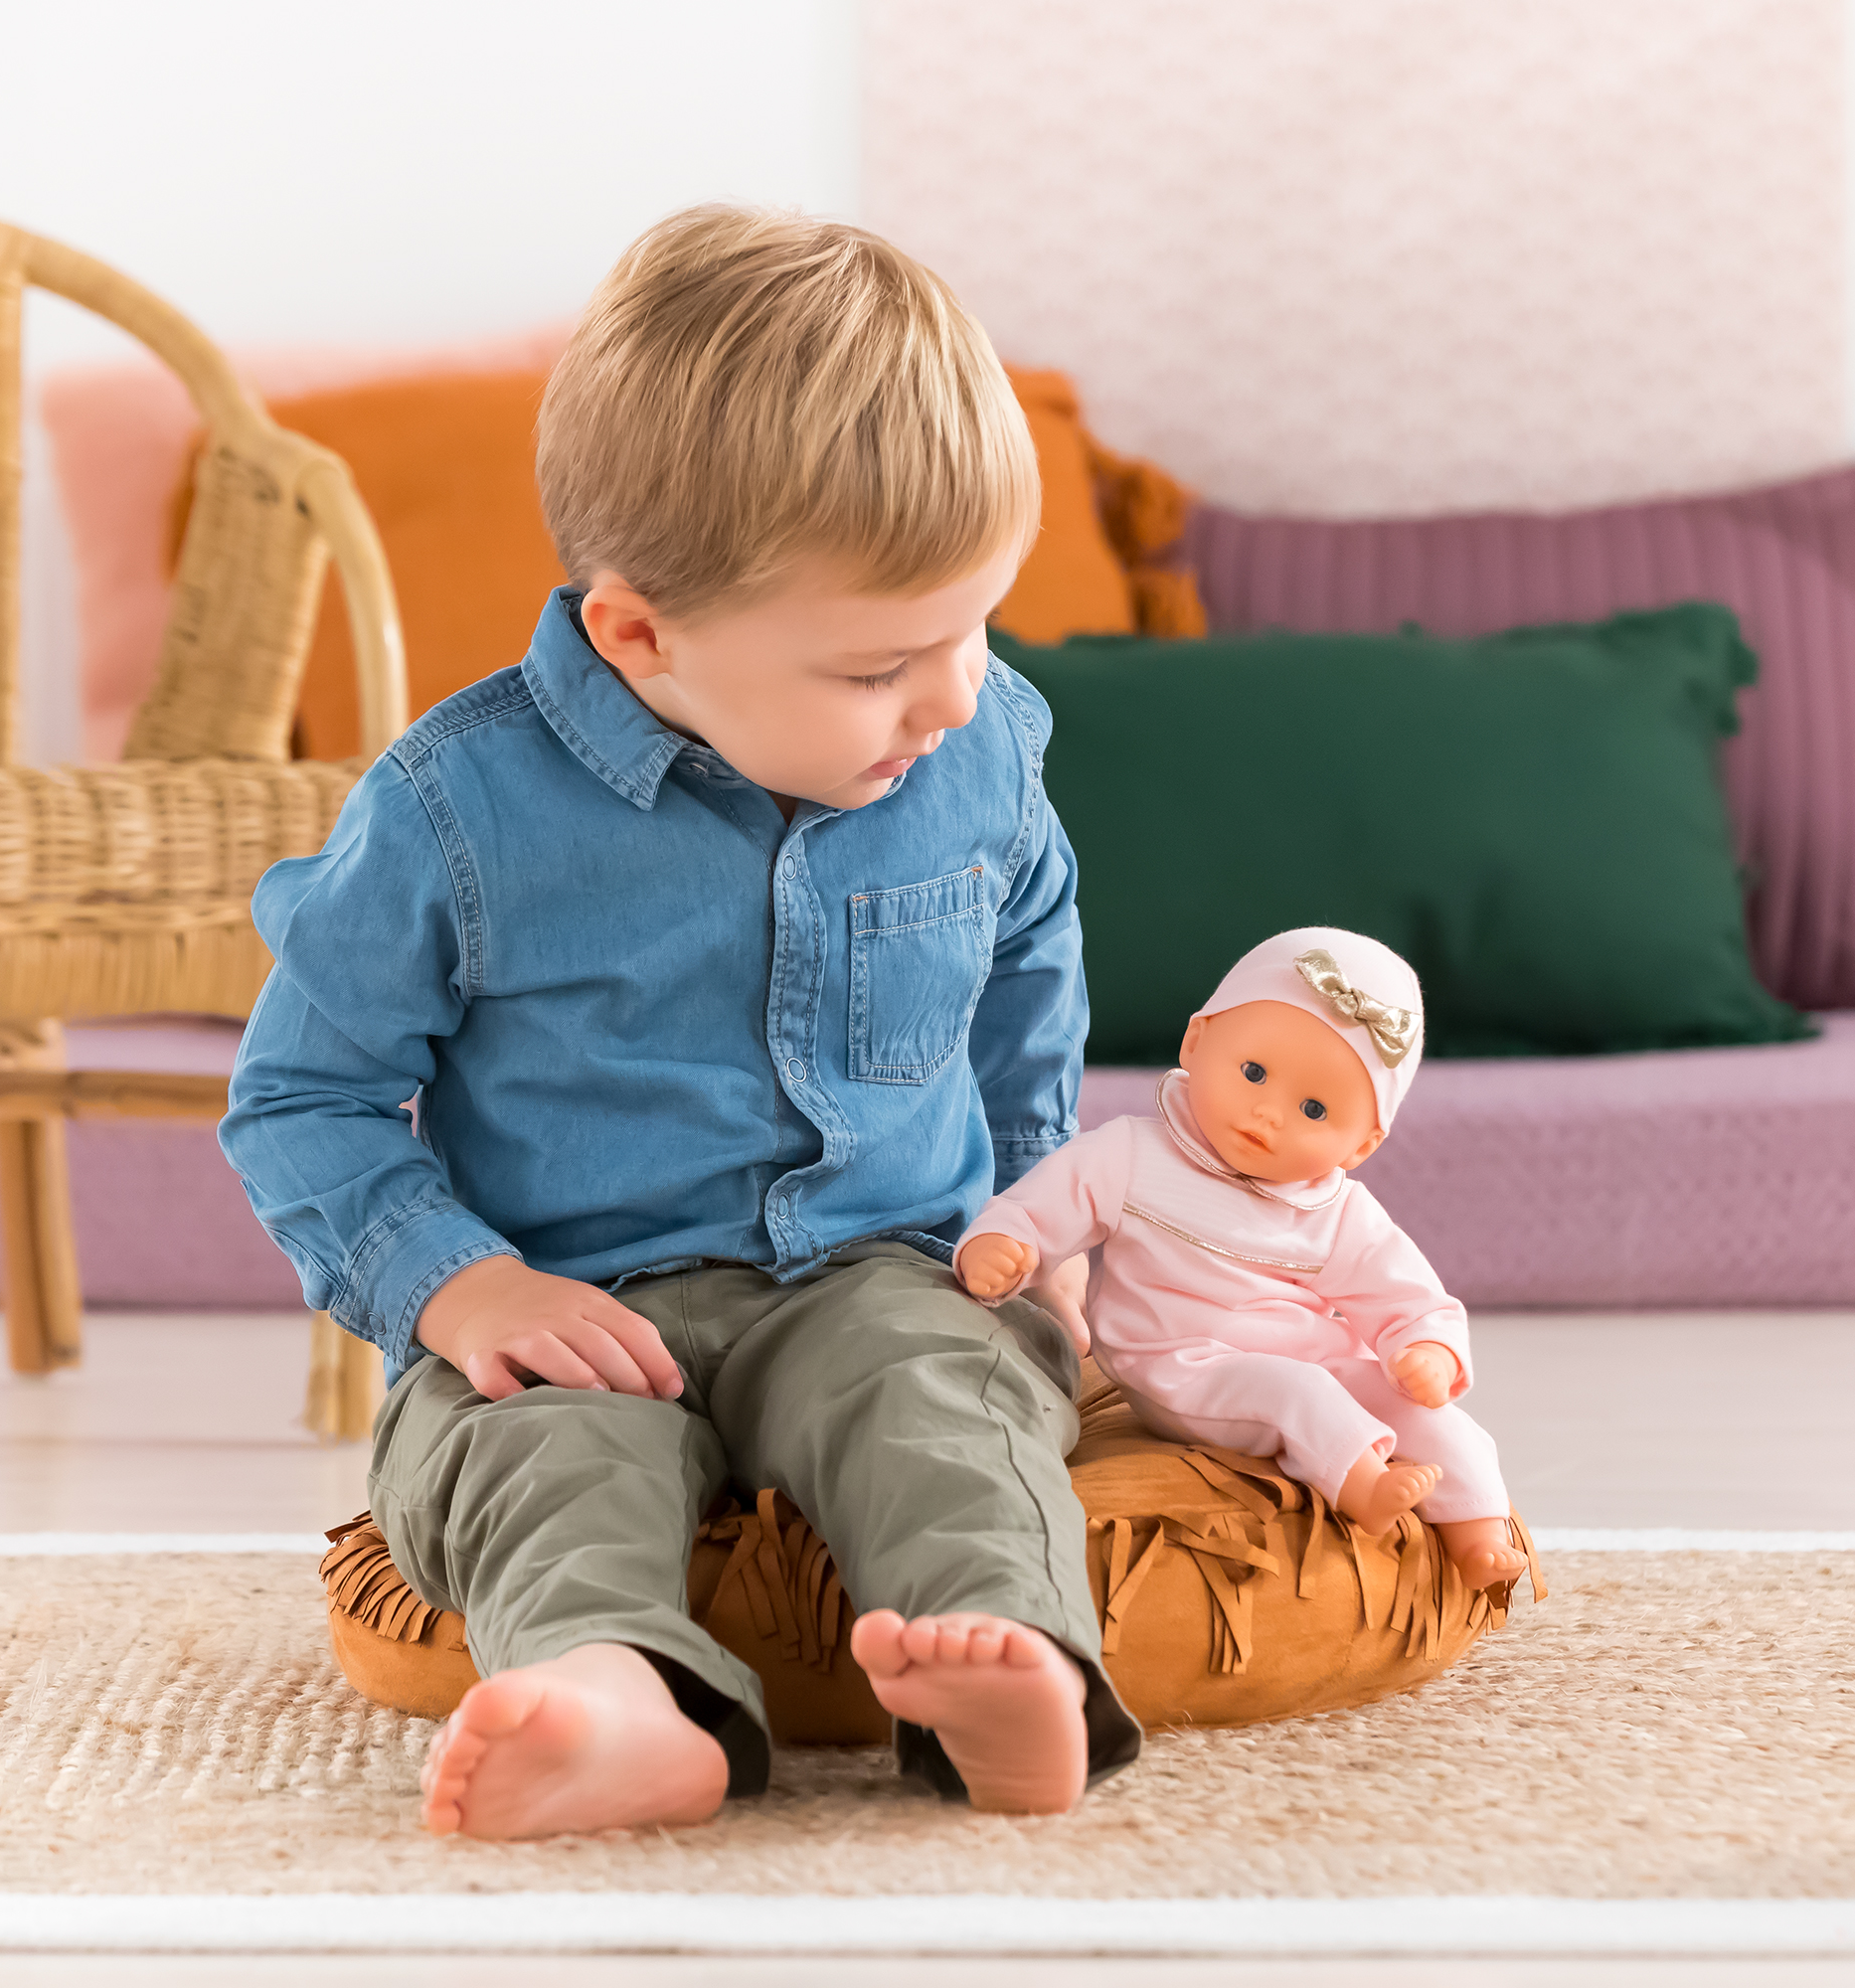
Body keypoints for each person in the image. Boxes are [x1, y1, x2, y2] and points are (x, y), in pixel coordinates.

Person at [222, 204, 1141, 1842]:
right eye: (880, 666)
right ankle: (613, 1698)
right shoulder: (451, 812)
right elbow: (304, 1096)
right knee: (535, 1457)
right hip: (573, 1294)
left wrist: (1030, 1201)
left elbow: (1026, 952)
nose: (953, 699)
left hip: (877, 1270)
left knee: (948, 1404)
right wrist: (460, 1285)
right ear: (640, 634)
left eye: (975, 629)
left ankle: (1016, 1670)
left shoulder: (980, 746)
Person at [955, 927, 1530, 1591]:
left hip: (1306, 1357)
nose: (1268, 1113)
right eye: (1253, 1073)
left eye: (1313, 1108)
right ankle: (1363, 1487)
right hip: (1181, 1367)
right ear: (1196, 1043)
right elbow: (1044, 1204)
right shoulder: (1133, 1155)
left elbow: (1405, 1295)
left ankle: (1480, 1536)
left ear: (1362, 1145)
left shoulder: (1339, 1211)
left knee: (1423, 1415)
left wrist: (1427, 1350)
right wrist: (1006, 1242)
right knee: (1298, 1393)